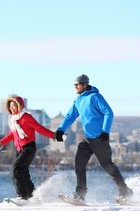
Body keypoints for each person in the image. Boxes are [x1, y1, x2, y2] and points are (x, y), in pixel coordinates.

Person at [55, 74, 133, 202]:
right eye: (74, 85)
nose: (75, 87)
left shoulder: (95, 96)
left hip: (99, 138)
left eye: (77, 85)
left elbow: (109, 112)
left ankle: (125, 192)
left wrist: (105, 132)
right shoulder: (78, 100)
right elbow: (70, 116)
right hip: (87, 139)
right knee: (79, 163)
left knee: (107, 165)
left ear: (84, 85)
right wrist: (60, 130)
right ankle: (80, 195)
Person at [0, 96, 55, 200]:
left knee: (16, 170)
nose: (12, 108)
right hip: (19, 150)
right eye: (10, 106)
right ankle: (31, 196)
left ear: (19, 106)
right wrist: (0, 143)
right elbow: (11, 135)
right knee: (23, 173)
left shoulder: (26, 117)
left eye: (14, 106)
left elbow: (39, 128)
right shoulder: (13, 120)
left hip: (29, 148)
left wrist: (54, 136)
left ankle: (22, 196)